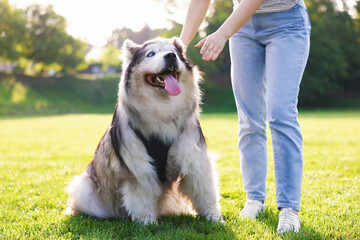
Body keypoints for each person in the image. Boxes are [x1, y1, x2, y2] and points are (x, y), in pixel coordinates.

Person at [180, 0, 311, 234]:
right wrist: (181, 45)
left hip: (286, 22)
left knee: (281, 114)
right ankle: (255, 199)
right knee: (249, 120)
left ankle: (289, 208)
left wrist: (222, 34)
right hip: (243, 29)